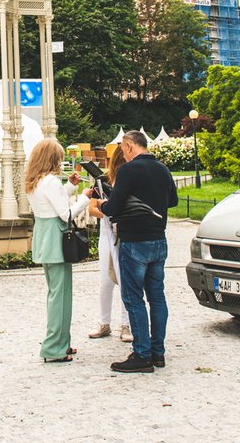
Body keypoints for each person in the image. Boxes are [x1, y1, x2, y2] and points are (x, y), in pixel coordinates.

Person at [87, 130, 178, 374]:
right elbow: (173, 201)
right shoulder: (163, 169)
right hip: (158, 239)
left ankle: (142, 354)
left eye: (123, 150)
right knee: (157, 297)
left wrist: (102, 203)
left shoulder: (128, 171)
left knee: (133, 297)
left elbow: (114, 207)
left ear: (128, 146)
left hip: (134, 240)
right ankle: (158, 352)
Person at [25, 138, 89, 363]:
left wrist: (69, 187)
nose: (62, 162)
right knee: (60, 296)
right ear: (53, 159)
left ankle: (62, 341)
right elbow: (66, 214)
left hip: (45, 236)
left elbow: (51, 202)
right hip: (56, 237)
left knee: (56, 293)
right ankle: (54, 347)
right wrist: (84, 198)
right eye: (59, 158)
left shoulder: (36, 181)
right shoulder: (50, 181)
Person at [89, 146, 132, 343]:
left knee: (125, 280)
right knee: (106, 281)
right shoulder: (102, 181)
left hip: (126, 233)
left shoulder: (131, 180)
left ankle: (126, 324)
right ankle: (104, 322)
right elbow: (92, 208)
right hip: (107, 233)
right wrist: (107, 211)